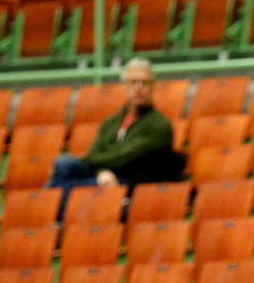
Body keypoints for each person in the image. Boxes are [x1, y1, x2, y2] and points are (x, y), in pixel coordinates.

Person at [47, 57, 178, 208]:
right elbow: (95, 152)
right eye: (133, 82)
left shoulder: (159, 125)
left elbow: (122, 157)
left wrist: (90, 164)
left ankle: (58, 217)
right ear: (124, 86)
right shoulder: (111, 122)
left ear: (153, 87)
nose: (139, 87)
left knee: (57, 185)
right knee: (63, 165)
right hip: (105, 177)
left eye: (144, 83)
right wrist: (102, 172)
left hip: (132, 182)